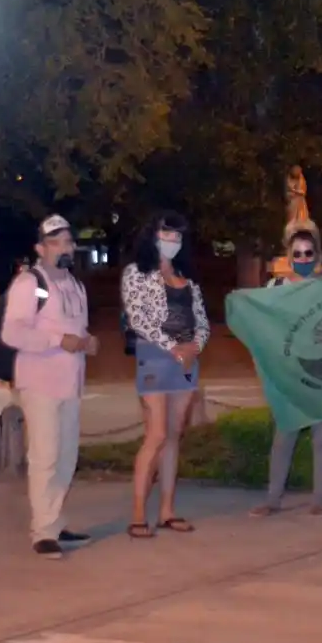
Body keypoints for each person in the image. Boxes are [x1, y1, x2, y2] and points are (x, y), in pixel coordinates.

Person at [1, 215, 99, 559]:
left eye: (68, 241)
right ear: (40, 249)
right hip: (40, 383)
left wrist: (87, 341)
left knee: (66, 457)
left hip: (70, 384)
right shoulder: (30, 283)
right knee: (45, 456)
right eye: (55, 243)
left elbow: (75, 330)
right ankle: (42, 532)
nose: (64, 248)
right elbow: (11, 332)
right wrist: (59, 340)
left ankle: (55, 522)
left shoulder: (76, 285)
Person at [121, 212, 210, 539]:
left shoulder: (187, 276)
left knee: (173, 435)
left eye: (177, 236)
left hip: (186, 362)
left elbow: (202, 320)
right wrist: (174, 348)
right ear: (153, 235)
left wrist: (195, 347)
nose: (172, 241)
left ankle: (167, 511)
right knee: (156, 434)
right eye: (166, 234)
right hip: (156, 357)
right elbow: (138, 319)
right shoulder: (137, 273)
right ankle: (137, 514)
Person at [251, 223, 322, 517]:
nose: (303, 259)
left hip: (320, 374)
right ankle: (272, 499)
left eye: (308, 253)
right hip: (287, 375)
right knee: (284, 436)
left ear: (317, 255)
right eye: (297, 254)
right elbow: (260, 326)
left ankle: (319, 500)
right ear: (288, 256)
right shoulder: (275, 289)